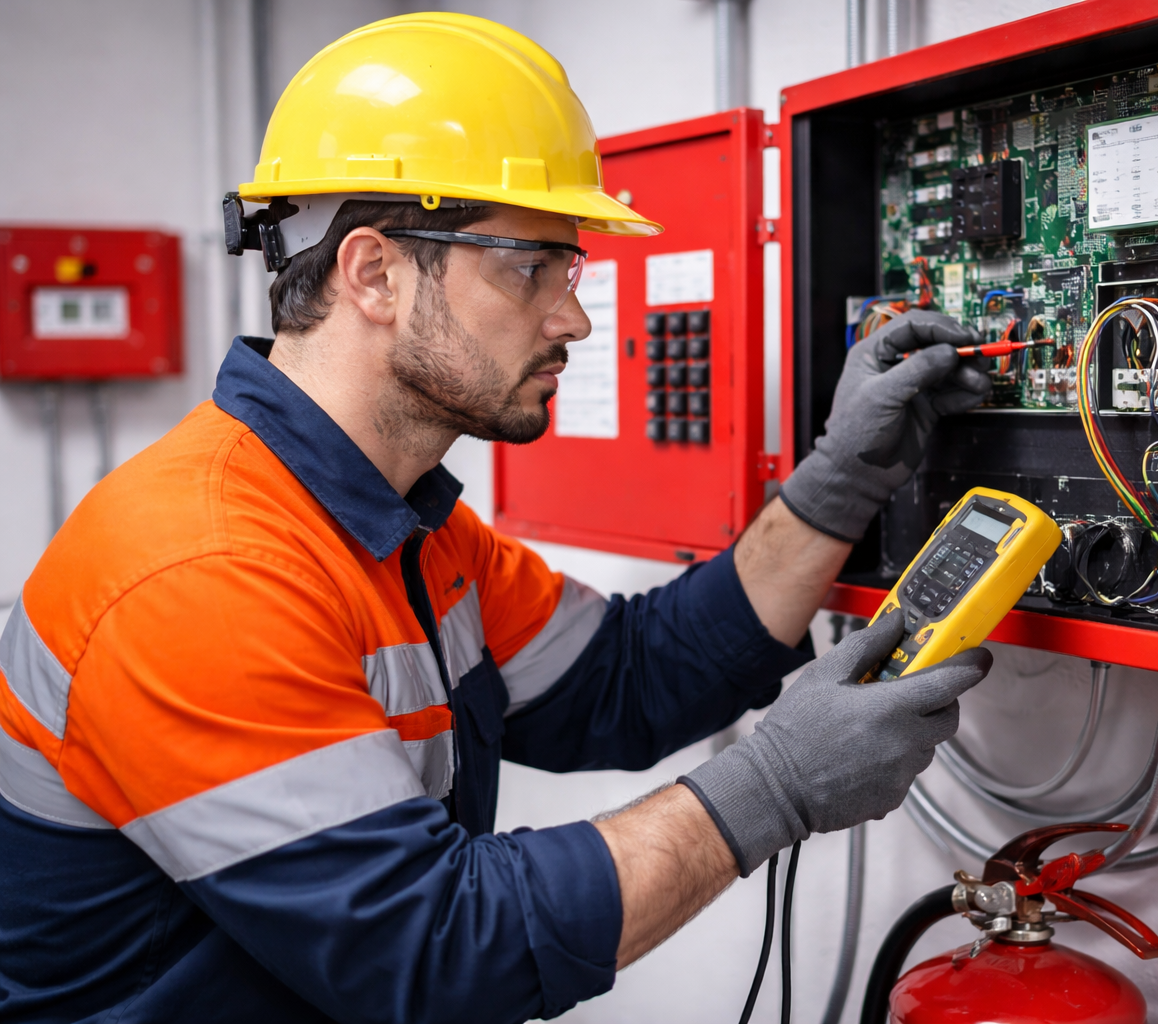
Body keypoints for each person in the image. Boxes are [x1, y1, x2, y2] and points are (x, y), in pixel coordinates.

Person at [0, 14, 993, 1023]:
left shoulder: (395, 523)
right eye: (532, 269)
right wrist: (775, 783)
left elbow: (625, 678)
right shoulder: (199, 567)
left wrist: (837, 481)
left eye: (571, 272)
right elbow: (431, 950)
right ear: (375, 273)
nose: (575, 318)